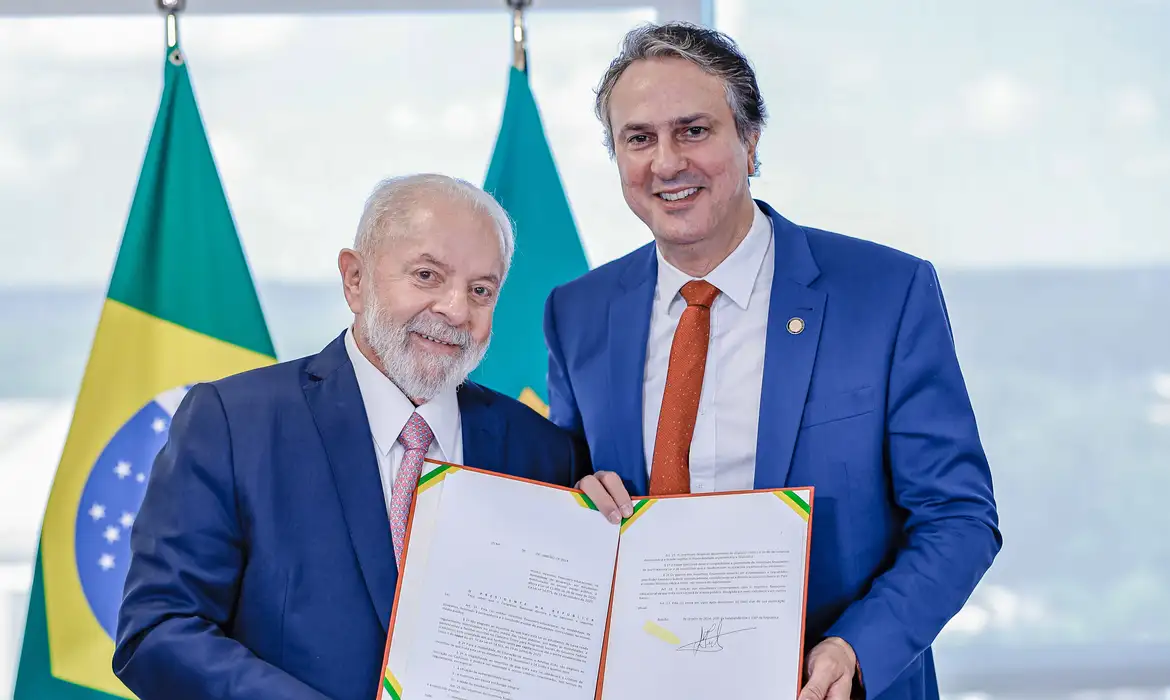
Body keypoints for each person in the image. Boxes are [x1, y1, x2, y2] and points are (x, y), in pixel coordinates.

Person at [544, 22, 1001, 700]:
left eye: (693, 130)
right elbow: (572, 489)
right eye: (638, 139)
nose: (666, 162)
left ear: (751, 142)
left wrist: (855, 650)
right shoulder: (577, 311)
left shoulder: (884, 294)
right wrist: (570, 508)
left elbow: (958, 517)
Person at [113, 174, 589, 700]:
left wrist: (609, 529)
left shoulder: (544, 453)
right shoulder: (231, 421)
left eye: (481, 290)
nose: (457, 310)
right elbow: (158, 630)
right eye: (427, 275)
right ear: (355, 279)